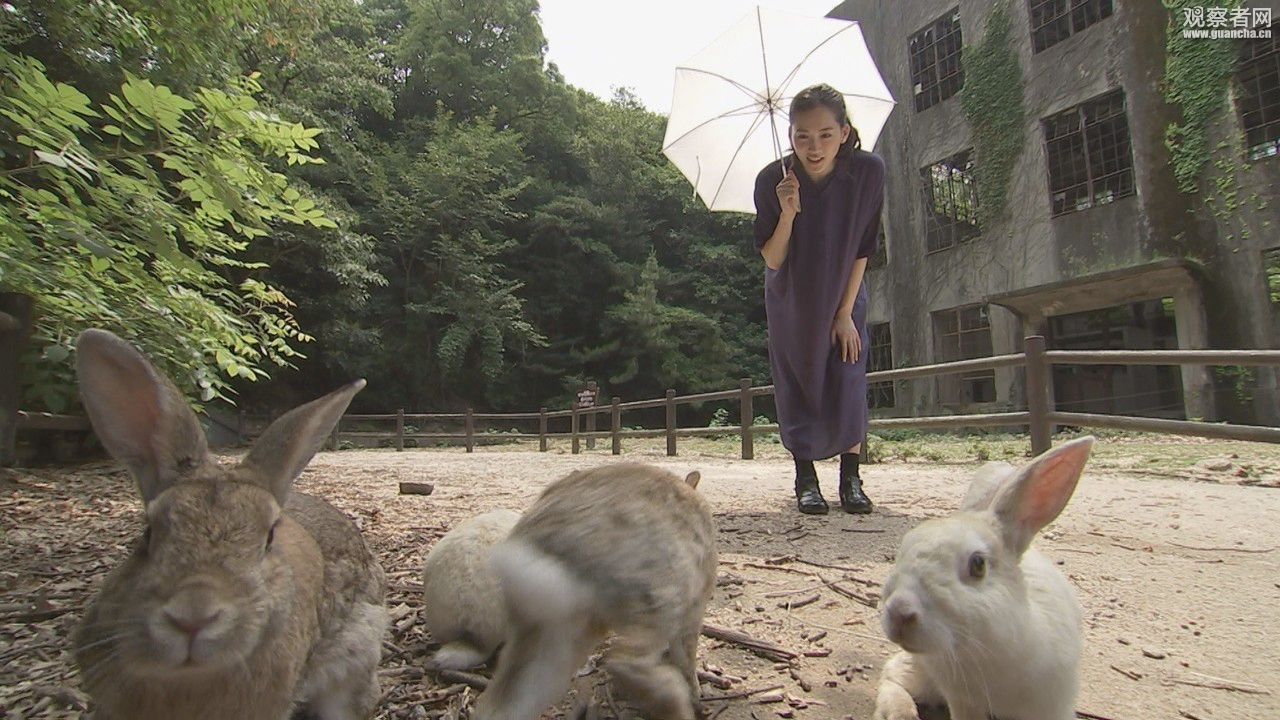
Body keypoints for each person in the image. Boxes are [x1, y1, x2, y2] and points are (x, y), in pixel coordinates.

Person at [753, 83, 885, 515]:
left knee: (848, 376)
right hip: (792, 300)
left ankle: (851, 478)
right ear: (790, 134)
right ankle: (805, 479)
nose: (814, 147)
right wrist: (788, 213)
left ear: (844, 132)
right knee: (798, 381)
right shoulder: (772, 180)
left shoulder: (868, 172)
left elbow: (865, 246)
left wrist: (845, 313)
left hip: (845, 292)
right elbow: (773, 259)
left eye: (826, 134)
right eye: (803, 136)